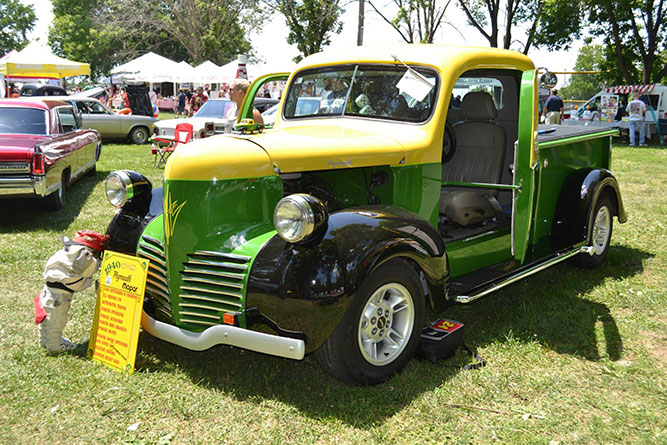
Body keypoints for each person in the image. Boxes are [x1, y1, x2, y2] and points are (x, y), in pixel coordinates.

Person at [34, 231, 108, 353]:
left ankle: (44, 340)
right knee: (57, 320)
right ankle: (54, 346)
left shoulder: (66, 252)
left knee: (46, 318)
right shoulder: (83, 257)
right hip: (60, 296)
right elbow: (88, 269)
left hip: (49, 290)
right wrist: (101, 262)